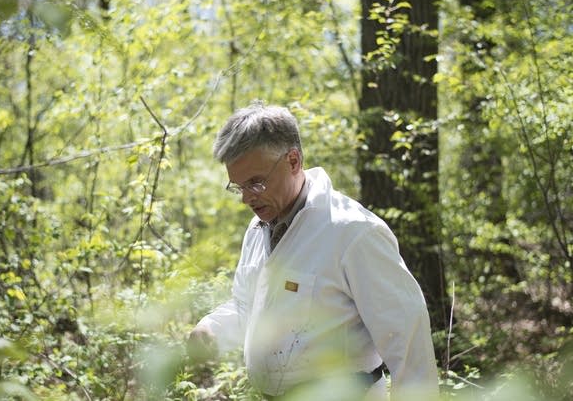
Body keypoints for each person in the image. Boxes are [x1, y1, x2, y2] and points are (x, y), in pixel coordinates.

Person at [187, 102, 439, 400]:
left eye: (255, 183)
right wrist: (213, 328)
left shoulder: (354, 232)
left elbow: (408, 344)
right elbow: (249, 305)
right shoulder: (258, 229)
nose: (246, 199)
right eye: (238, 186)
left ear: (293, 161)